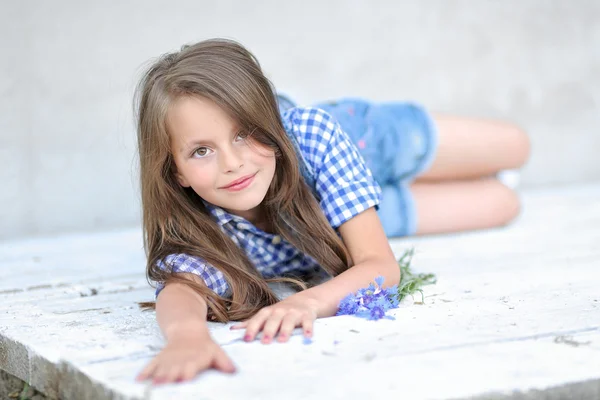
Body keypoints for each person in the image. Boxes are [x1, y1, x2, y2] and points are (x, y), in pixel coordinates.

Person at [134, 38, 530, 385]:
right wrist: (188, 336)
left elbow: (381, 267)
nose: (233, 163)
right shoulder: (203, 229)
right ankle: (372, 198)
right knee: (504, 203)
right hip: (334, 217)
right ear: (176, 171)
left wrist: (307, 302)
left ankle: (376, 184)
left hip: (361, 142)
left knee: (516, 147)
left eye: (243, 133)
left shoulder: (313, 134)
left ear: (268, 121)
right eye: (201, 151)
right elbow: (182, 288)